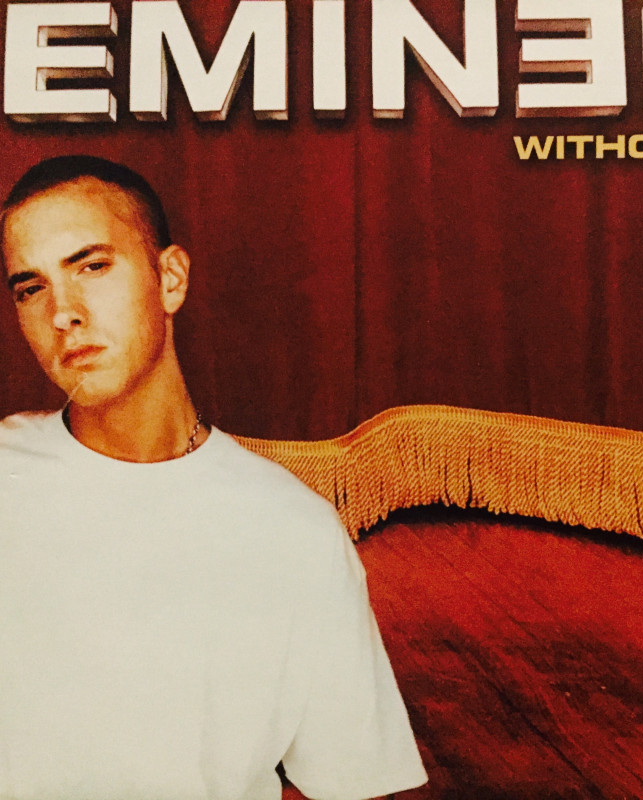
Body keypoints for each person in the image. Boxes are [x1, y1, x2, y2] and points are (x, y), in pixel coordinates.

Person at [0, 156, 427, 800]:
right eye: (31, 288)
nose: (63, 312)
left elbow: (351, 781)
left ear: (170, 279)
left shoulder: (293, 528)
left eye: (92, 267)